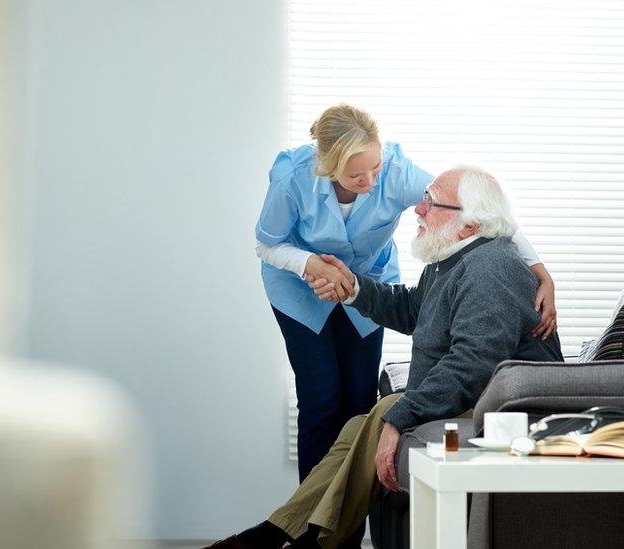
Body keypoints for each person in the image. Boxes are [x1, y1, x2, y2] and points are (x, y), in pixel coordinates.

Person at [212, 166, 564, 549]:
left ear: (469, 224)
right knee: (356, 428)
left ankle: (289, 540)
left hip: (504, 411)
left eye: (430, 202)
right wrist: (352, 288)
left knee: (386, 411)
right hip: (479, 399)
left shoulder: (491, 269)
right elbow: (413, 310)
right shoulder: (456, 259)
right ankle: (282, 535)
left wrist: (400, 418)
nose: (418, 209)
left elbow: (471, 366)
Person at [255, 104, 558, 486]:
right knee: (321, 397)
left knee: (358, 403)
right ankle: (305, 534)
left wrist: (540, 270)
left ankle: (327, 532)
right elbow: (267, 244)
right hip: (299, 288)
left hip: (364, 282)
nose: (369, 181)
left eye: (375, 169)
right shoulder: (292, 179)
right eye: (355, 175)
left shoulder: (399, 176)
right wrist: (308, 264)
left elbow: (479, 211)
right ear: (328, 168)